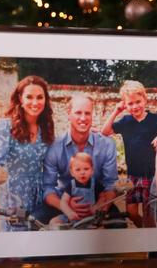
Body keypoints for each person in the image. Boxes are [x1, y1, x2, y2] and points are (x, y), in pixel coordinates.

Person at [39, 94, 119, 226]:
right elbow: (48, 188)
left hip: (97, 201)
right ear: (68, 114)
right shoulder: (54, 146)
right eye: (78, 113)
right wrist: (65, 206)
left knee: (119, 226)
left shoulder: (107, 144)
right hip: (62, 200)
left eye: (87, 113)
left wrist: (100, 206)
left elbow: (110, 184)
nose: (83, 118)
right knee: (34, 221)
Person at [0, 75, 53, 229]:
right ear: (20, 99)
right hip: (14, 198)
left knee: (37, 246)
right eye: (29, 97)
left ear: (45, 100)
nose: (35, 102)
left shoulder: (46, 128)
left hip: (40, 199)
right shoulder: (5, 126)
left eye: (40, 97)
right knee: (16, 247)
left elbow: (53, 162)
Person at [101, 80, 157, 227]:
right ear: (125, 104)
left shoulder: (156, 119)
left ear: (145, 99)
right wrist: (116, 111)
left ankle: (149, 236)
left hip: (150, 174)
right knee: (131, 211)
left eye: (138, 101)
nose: (135, 106)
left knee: (149, 212)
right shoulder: (126, 121)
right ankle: (143, 230)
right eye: (130, 103)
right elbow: (105, 132)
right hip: (132, 175)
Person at [47, 154, 98, 228]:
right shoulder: (71, 185)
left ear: (92, 170)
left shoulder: (95, 184)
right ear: (72, 172)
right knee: (53, 222)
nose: (82, 172)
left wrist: (97, 207)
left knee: (98, 225)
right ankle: (65, 228)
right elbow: (63, 201)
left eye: (86, 169)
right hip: (72, 216)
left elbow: (103, 197)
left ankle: (79, 227)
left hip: (89, 217)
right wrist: (69, 213)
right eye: (78, 170)